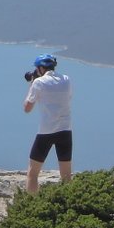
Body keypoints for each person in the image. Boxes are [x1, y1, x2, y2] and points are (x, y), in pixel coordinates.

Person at [23, 53, 73, 193]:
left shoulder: (39, 83)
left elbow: (27, 108)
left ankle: (31, 206)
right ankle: (70, 205)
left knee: (32, 174)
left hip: (46, 131)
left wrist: (32, 83)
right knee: (66, 176)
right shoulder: (66, 79)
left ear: (40, 68)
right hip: (65, 130)